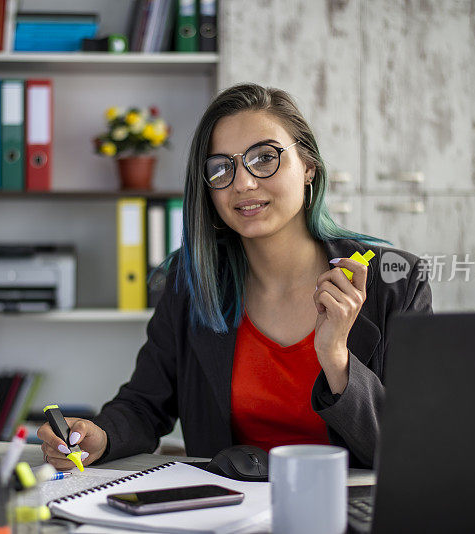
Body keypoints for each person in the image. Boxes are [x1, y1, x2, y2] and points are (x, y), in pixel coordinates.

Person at [38, 83, 432, 470]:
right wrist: (98, 436)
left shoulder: (394, 282)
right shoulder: (191, 280)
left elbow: (413, 448)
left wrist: (336, 360)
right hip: (229, 511)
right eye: (221, 167)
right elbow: (144, 404)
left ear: (308, 167)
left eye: (265, 158)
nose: (242, 182)